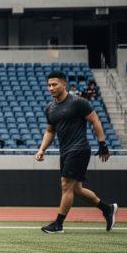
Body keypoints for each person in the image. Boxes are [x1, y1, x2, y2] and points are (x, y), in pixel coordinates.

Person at [34, 71, 118, 234]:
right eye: (49, 85)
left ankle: (58, 224)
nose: (51, 88)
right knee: (77, 190)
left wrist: (102, 143)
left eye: (54, 84)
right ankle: (107, 209)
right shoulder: (50, 108)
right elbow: (50, 131)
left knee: (66, 184)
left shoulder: (78, 102)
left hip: (79, 149)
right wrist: (42, 149)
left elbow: (94, 120)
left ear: (64, 84)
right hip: (65, 151)